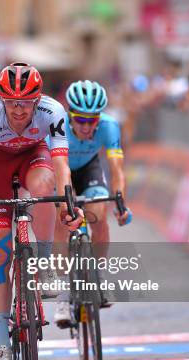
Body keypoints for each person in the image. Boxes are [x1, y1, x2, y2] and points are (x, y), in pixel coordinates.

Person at [0, 62, 84, 360]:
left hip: (33, 156)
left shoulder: (53, 112)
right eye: (12, 102)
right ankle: (2, 344)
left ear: (38, 99)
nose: (18, 109)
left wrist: (68, 203)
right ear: (1, 98)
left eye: (26, 102)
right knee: (0, 254)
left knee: (44, 187)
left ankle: (42, 266)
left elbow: (61, 167)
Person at [52, 80, 131, 328]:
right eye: (81, 120)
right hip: (59, 168)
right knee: (63, 221)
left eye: (92, 120)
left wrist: (120, 201)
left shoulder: (109, 126)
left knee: (98, 212)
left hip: (89, 169)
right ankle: (63, 295)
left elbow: (117, 169)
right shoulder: (57, 125)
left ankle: (98, 276)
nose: (87, 126)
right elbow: (59, 167)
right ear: (70, 115)